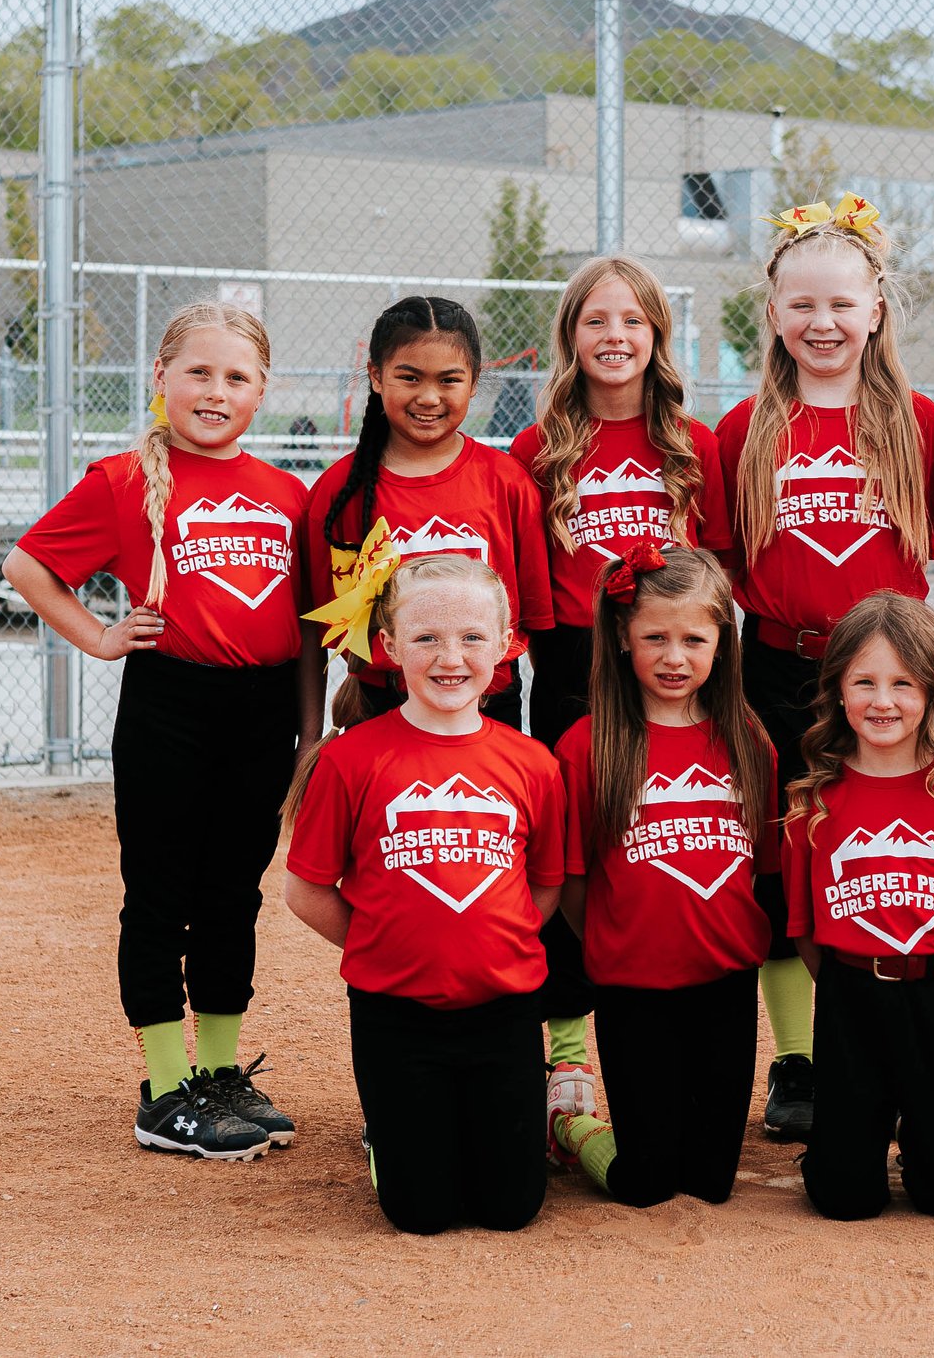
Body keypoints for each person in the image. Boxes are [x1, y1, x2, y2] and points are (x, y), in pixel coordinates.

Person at [3, 303, 304, 1161]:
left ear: (262, 391)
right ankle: (166, 1088)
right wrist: (100, 637)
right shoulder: (123, 479)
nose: (216, 391)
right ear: (161, 378)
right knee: (161, 893)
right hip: (170, 704)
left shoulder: (290, 494)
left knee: (233, 893)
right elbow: (27, 565)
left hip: (263, 709)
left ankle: (219, 1073)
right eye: (198, 372)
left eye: (236, 376)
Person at [719, 191, 934, 1142]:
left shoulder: (918, 423)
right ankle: (798, 1060)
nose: (823, 322)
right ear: (773, 312)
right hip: (778, 667)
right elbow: (727, 564)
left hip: (887, 679)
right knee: (781, 861)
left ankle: (882, 1042)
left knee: (878, 852)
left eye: (842, 303)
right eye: (803, 304)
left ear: (877, 308)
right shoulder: (743, 429)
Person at [509, 258, 734, 1127]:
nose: (615, 336)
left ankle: (675, 1035)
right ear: (570, 336)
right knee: (572, 855)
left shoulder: (692, 443)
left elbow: (716, 572)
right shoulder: (538, 449)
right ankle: (569, 1054)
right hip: (574, 667)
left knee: (667, 846)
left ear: (657, 336)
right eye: (596, 320)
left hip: (671, 663)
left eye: (633, 320)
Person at [284, 554, 566, 1234]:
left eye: (472, 637)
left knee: (511, 1209)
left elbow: (546, 883)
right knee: (421, 1215)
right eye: (427, 637)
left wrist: (490, 944)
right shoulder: (350, 758)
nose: (451, 657)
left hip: (503, 1010)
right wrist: (386, 944)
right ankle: (388, 1140)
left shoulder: (533, 763)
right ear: (388, 645)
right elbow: (306, 889)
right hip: (396, 1017)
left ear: (506, 644)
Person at [547, 544, 776, 1206]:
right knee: (646, 1183)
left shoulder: (748, 741)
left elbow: (759, 868)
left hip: (725, 982)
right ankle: (572, 1127)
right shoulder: (588, 745)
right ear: (623, 636)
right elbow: (575, 883)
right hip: (632, 986)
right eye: (655, 638)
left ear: (722, 643)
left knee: (710, 1183)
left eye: (693, 639)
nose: (675, 657)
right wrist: (618, 939)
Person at [784, 592, 934, 1221]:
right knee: (843, 1198)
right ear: (838, 690)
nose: (883, 700)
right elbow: (804, 931)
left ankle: (923, 1132)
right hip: (851, 998)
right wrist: (861, 979)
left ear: (933, 691)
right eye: (865, 682)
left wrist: (926, 970)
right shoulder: (812, 803)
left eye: (903, 683)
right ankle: (851, 1137)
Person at [298, 296, 553, 737]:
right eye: (410, 377)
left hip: (490, 704)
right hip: (382, 705)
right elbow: (316, 632)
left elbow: (536, 622)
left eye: (449, 379)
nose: (429, 397)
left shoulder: (507, 482)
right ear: (376, 376)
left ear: (474, 382)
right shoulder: (341, 491)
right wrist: (308, 739)